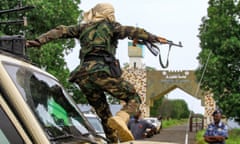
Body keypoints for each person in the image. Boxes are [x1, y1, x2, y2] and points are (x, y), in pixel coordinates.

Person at [26, 2, 167, 143]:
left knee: (105, 116)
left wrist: (36, 42)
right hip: (101, 72)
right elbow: (132, 31)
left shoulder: (82, 28)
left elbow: (60, 31)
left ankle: (113, 141)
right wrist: (152, 37)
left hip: (83, 77)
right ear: (108, 13)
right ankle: (121, 117)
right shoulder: (112, 27)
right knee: (133, 97)